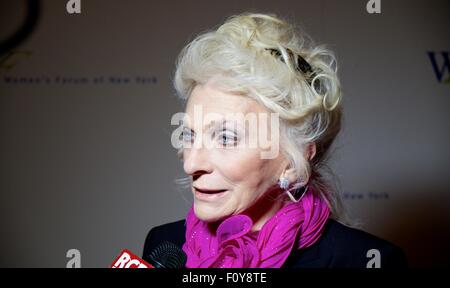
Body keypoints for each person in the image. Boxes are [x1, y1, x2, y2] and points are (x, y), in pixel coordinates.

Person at [143, 12, 407, 268]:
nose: (191, 164)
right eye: (190, 135)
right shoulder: (164, 245)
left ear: (293, 160)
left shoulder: (364, 260)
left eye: (225, 138)